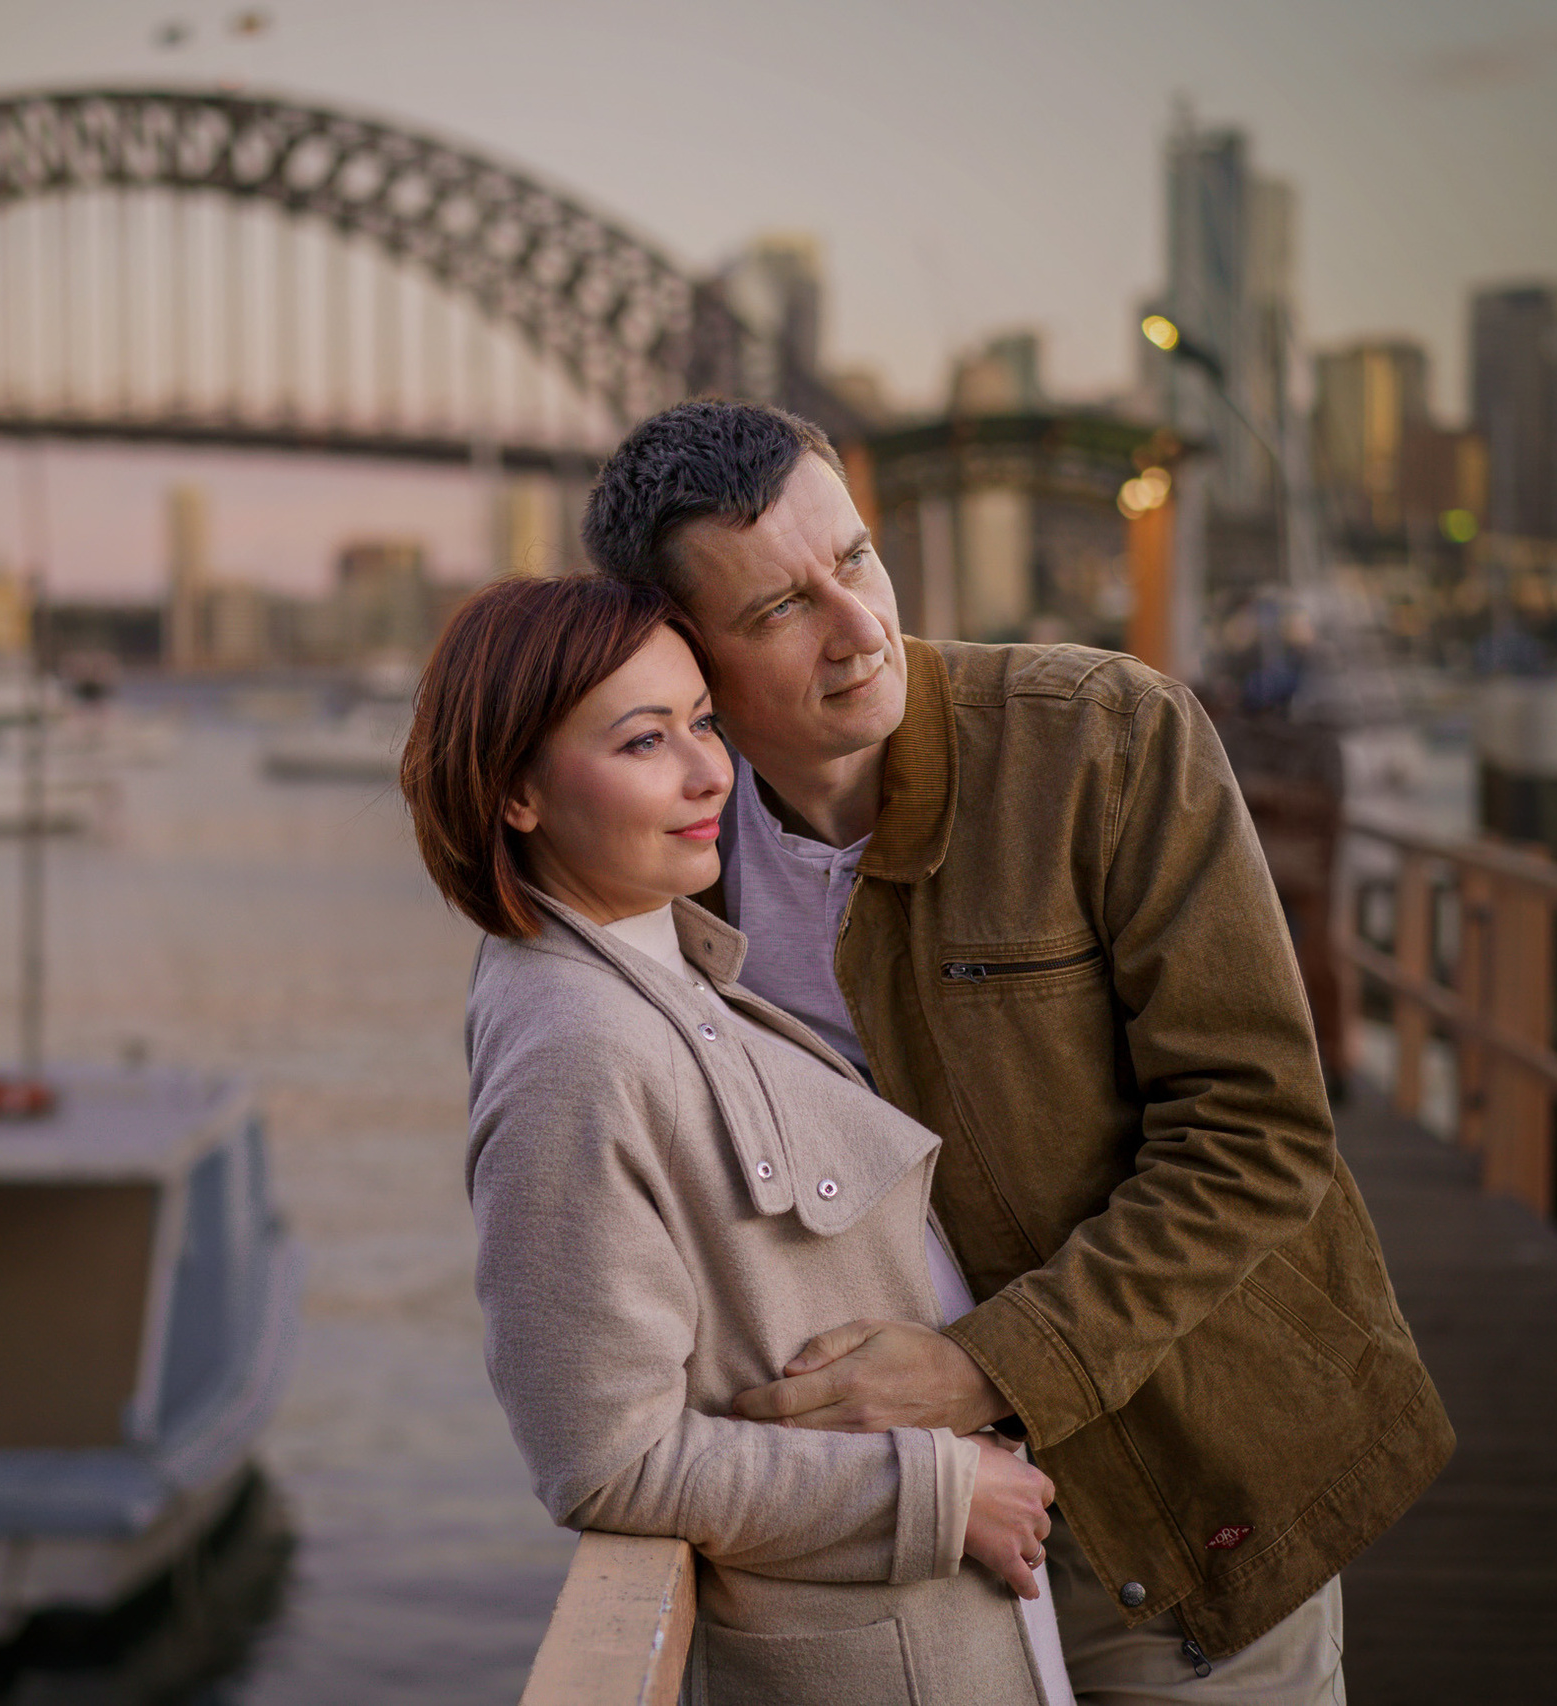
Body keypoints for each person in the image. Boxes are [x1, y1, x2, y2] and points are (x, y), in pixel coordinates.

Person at [575, 398, 1455, 1702]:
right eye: (780, 610)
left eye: (857, 559)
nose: (860, 627)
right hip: (891, 1541)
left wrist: (979, 1365)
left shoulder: (1105, 736)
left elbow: (1259, 1135)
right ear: (682, 656)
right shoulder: (670, 872)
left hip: (1174, 1504)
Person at [404, 574, 1074, 1705]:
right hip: (884, 1643)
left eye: (702, 722)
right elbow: (607, 1458)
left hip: (944, 1619)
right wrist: (937, 1491)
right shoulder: (576, 1043)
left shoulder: (661, 959)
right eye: (643, 741)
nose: (710, 769)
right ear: (515, 790)